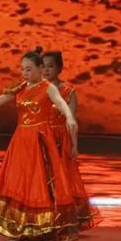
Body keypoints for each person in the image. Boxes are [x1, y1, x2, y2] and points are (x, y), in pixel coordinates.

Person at [0, 47, 82, 241]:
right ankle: (18, 226)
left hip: (39, 139)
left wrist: (69, 117)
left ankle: (38, 227)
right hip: (21, 140)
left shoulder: (47, 87)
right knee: (19, 181)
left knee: (37, 182)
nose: (25, 73)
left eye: (29, 69)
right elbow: (0, 100)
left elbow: (60, 103)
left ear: (40, 69)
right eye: (22, 69)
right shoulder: (20, 87)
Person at [41, 50, 100, 230]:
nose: (46, 70)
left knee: (61, 177)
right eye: (43, 66)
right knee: (41, 176)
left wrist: (74, 145)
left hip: (60, 140)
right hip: (41, 137)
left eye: (51, 66)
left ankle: (63, 216)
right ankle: (42, 216)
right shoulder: (36, 89)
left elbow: (72, 120)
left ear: (59, 68)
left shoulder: (68, 91)